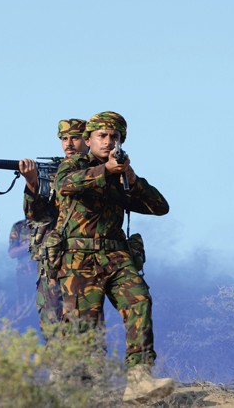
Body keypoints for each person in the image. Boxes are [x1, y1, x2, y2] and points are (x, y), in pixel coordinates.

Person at [52, 111, 175, 402]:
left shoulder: (120, 173)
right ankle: (74, 390)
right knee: (84, 330)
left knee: (139, 300)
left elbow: (160, 207)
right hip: (79, 258)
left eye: (114, 137)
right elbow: (66, 186)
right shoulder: (73, 165)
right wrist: (106, 170)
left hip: (116, 254)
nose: (109, 142)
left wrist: (132, 179)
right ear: (89, 139)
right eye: (102, 136)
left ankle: (139, 378)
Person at [17, 118, 90, 339]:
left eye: (75, 138)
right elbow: (36, 214)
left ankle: (88, 371)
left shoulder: (97, 171)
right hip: (53, 257)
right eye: (64, 139)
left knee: (83, 319)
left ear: (87, 140)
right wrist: (32, 183)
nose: (69, 144)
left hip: (84, 257)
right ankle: (58, 369)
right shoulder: (51, 171)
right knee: (51, 317)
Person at [7, 219, 38, 299]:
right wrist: (29, 245)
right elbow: (12, 253)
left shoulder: (49, 224)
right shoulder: (19, 226)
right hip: (26, 276)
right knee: (26, 305)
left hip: (46, 276)